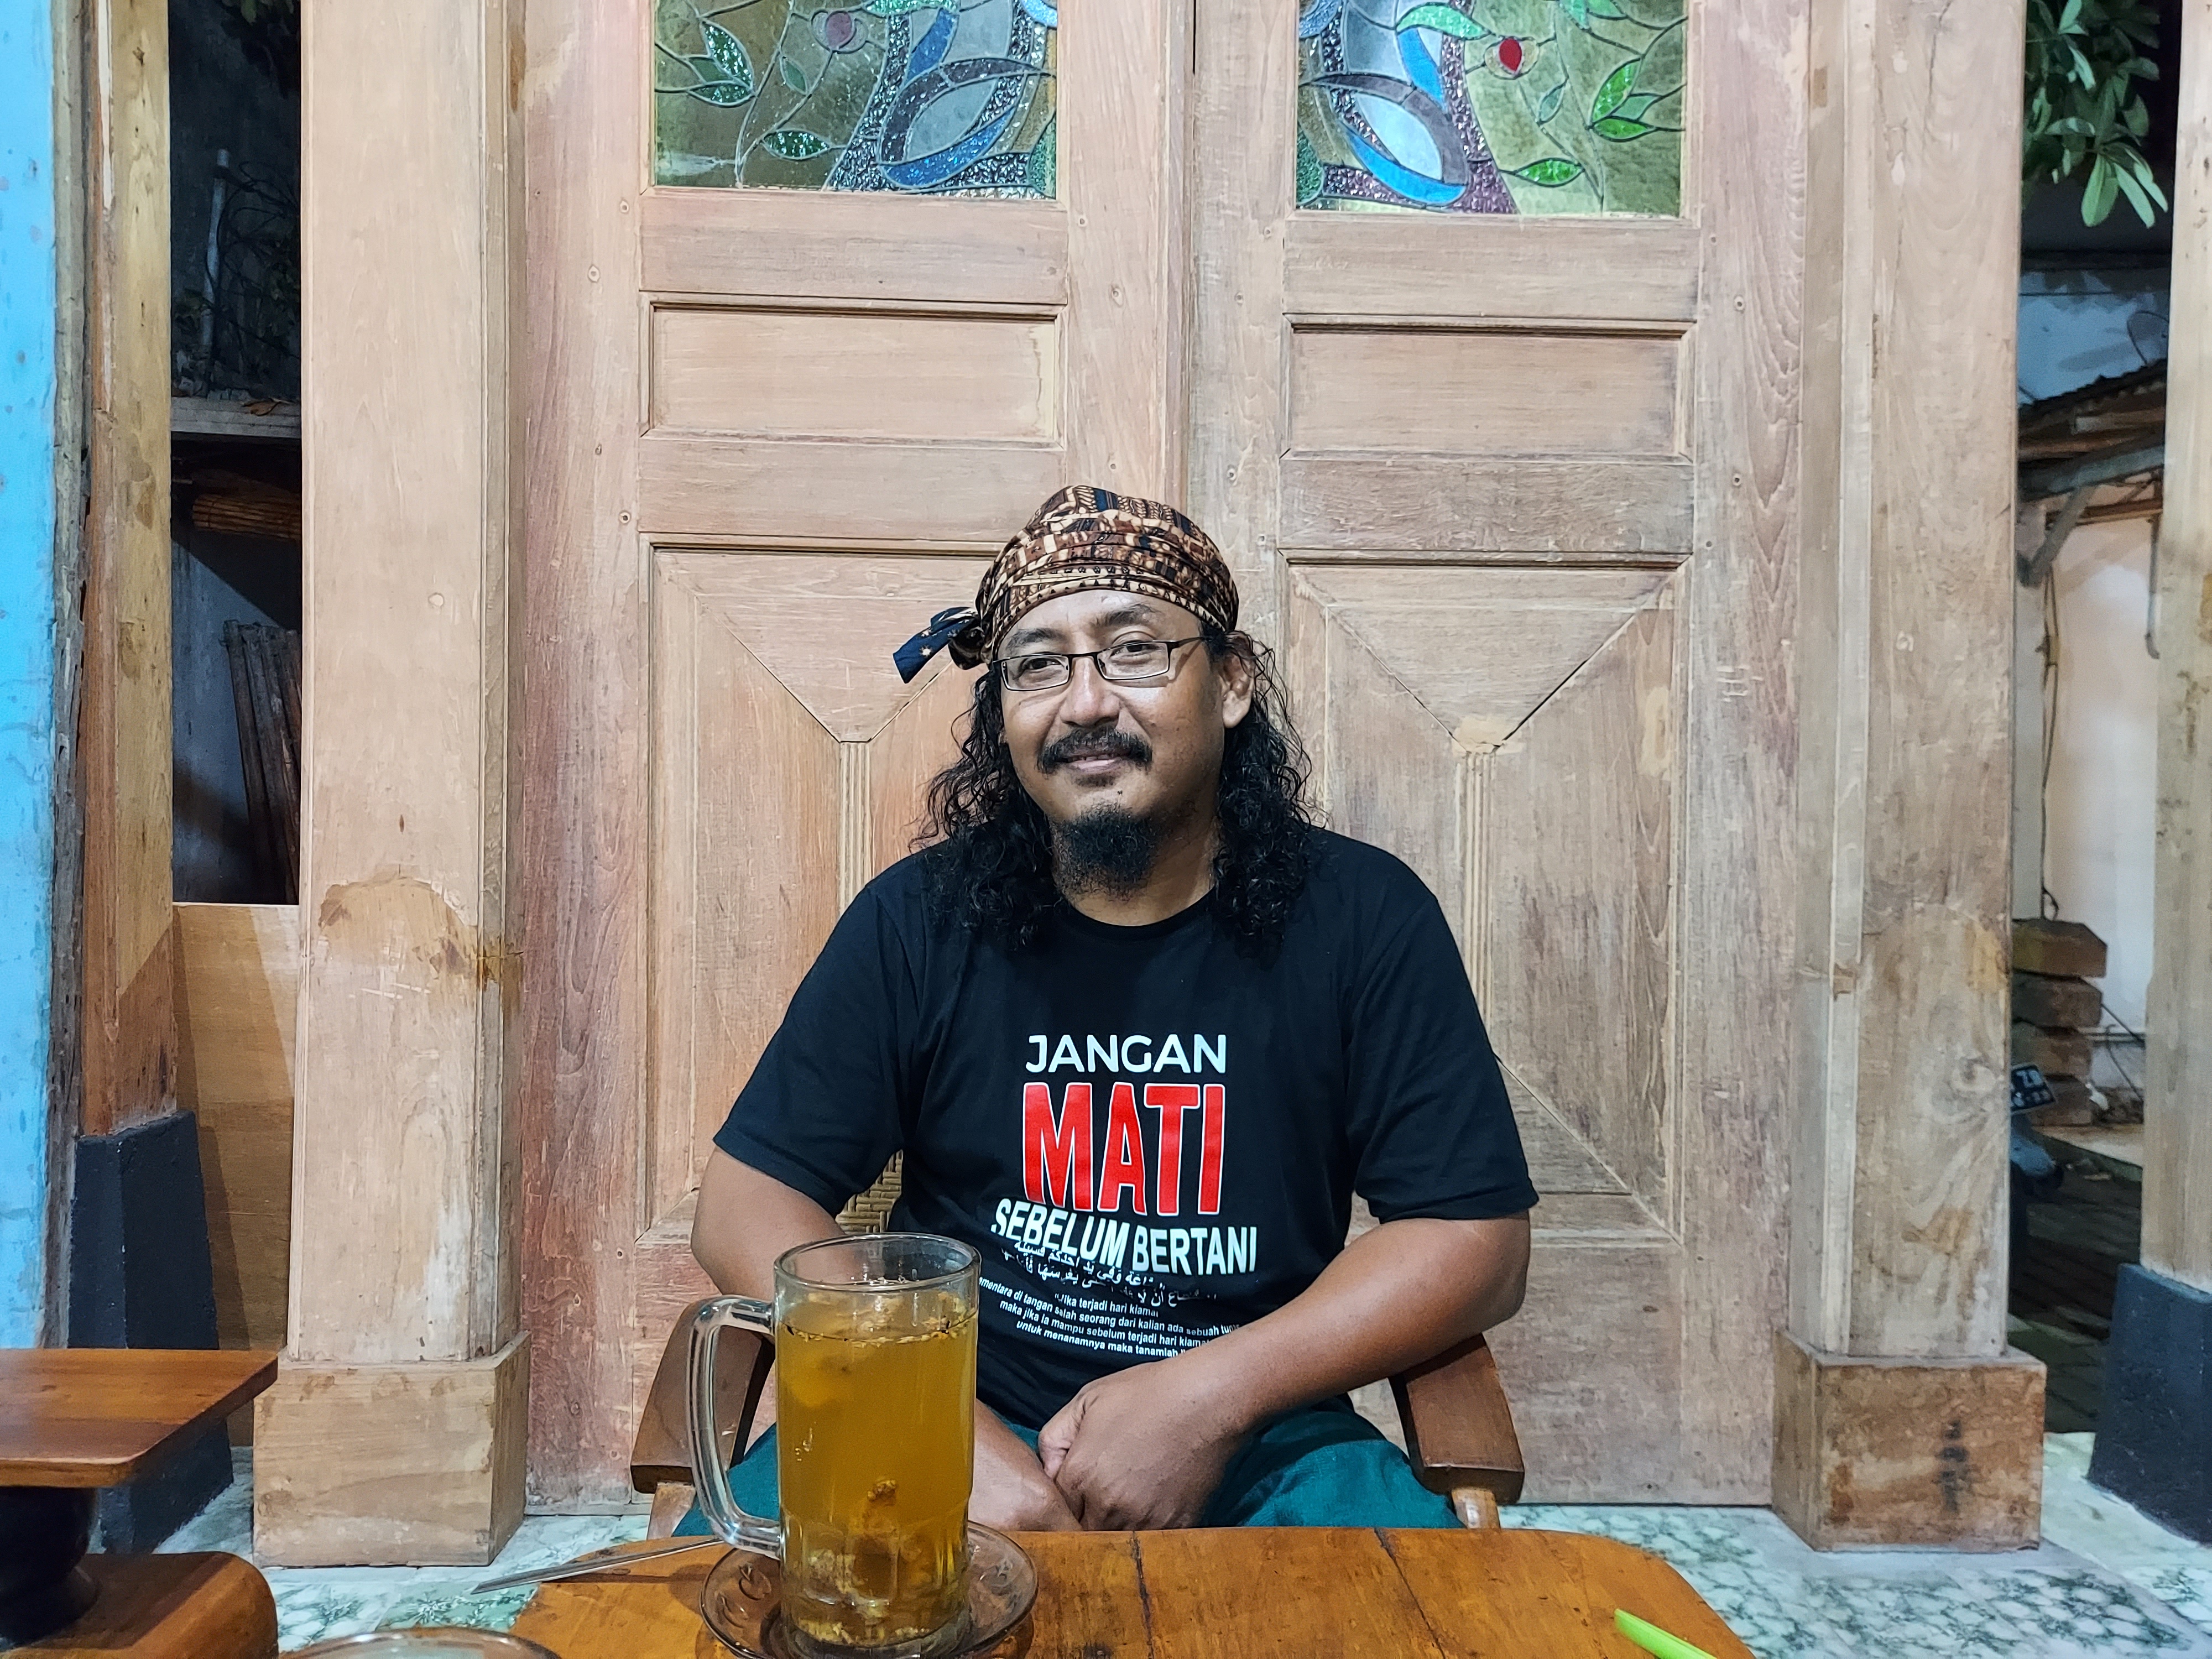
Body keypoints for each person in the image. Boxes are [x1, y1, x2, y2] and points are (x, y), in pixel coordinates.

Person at [690, 486, 1536, 1532]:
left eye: (1134, 650)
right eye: (1038, 666)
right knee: (702, 1605)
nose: (1085, 703)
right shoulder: (918, 919)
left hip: (1263, 1429)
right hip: (948, 1414)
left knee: (1412, 1610)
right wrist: (929, 1417)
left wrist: (1206, 1400)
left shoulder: (1364, 918)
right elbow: (745, 1199)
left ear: (1232, 682)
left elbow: (1475, 1238)